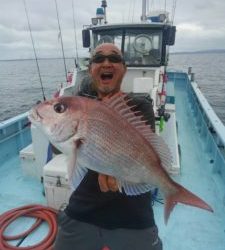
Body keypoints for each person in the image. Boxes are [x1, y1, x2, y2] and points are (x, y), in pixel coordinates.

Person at [54, 43, 162, 250]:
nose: (106, 63)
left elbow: (141, 152)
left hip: (133, 213)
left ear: (124, 69)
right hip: (83, 208)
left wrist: (112, 169)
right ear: (90, 68)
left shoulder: (139, 105)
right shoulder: (80, 106)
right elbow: (66, 148)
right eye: (99, 59)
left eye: (114, 59)